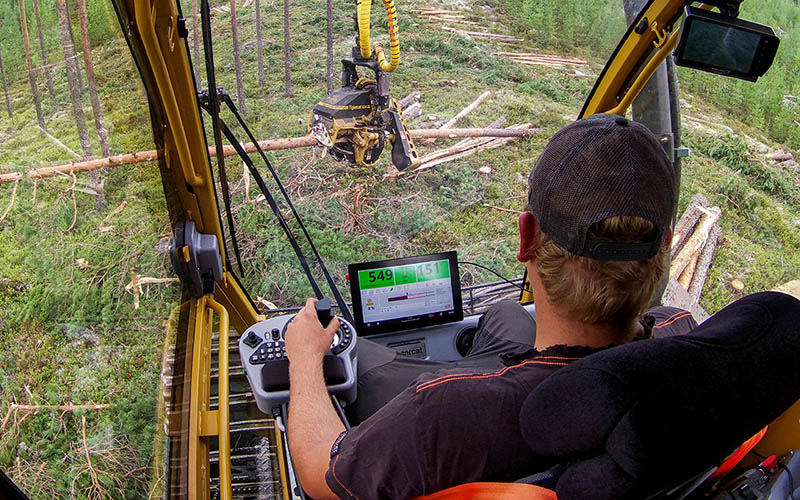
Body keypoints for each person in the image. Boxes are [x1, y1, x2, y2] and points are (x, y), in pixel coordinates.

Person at [283, 113, 691, 499]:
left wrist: (303, 356)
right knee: (507, 312)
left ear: (526, 237)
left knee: (366, 354)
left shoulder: (443, 414)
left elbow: (321, 478)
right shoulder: (685, 336)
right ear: (666, 246)